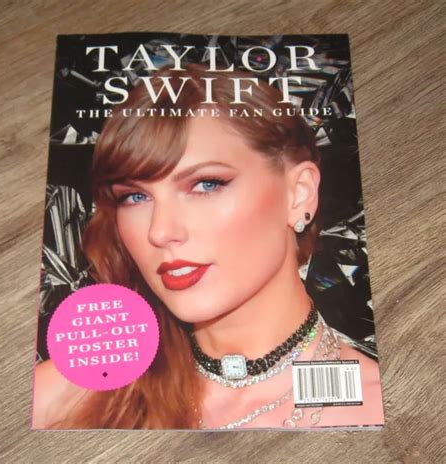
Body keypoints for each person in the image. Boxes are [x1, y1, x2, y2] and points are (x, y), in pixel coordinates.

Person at [32, 64, 384, 429]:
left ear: (299, 193)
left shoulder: (381, 410)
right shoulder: (61, 398)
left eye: (206, 184)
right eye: (135, 196)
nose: (161, 231)